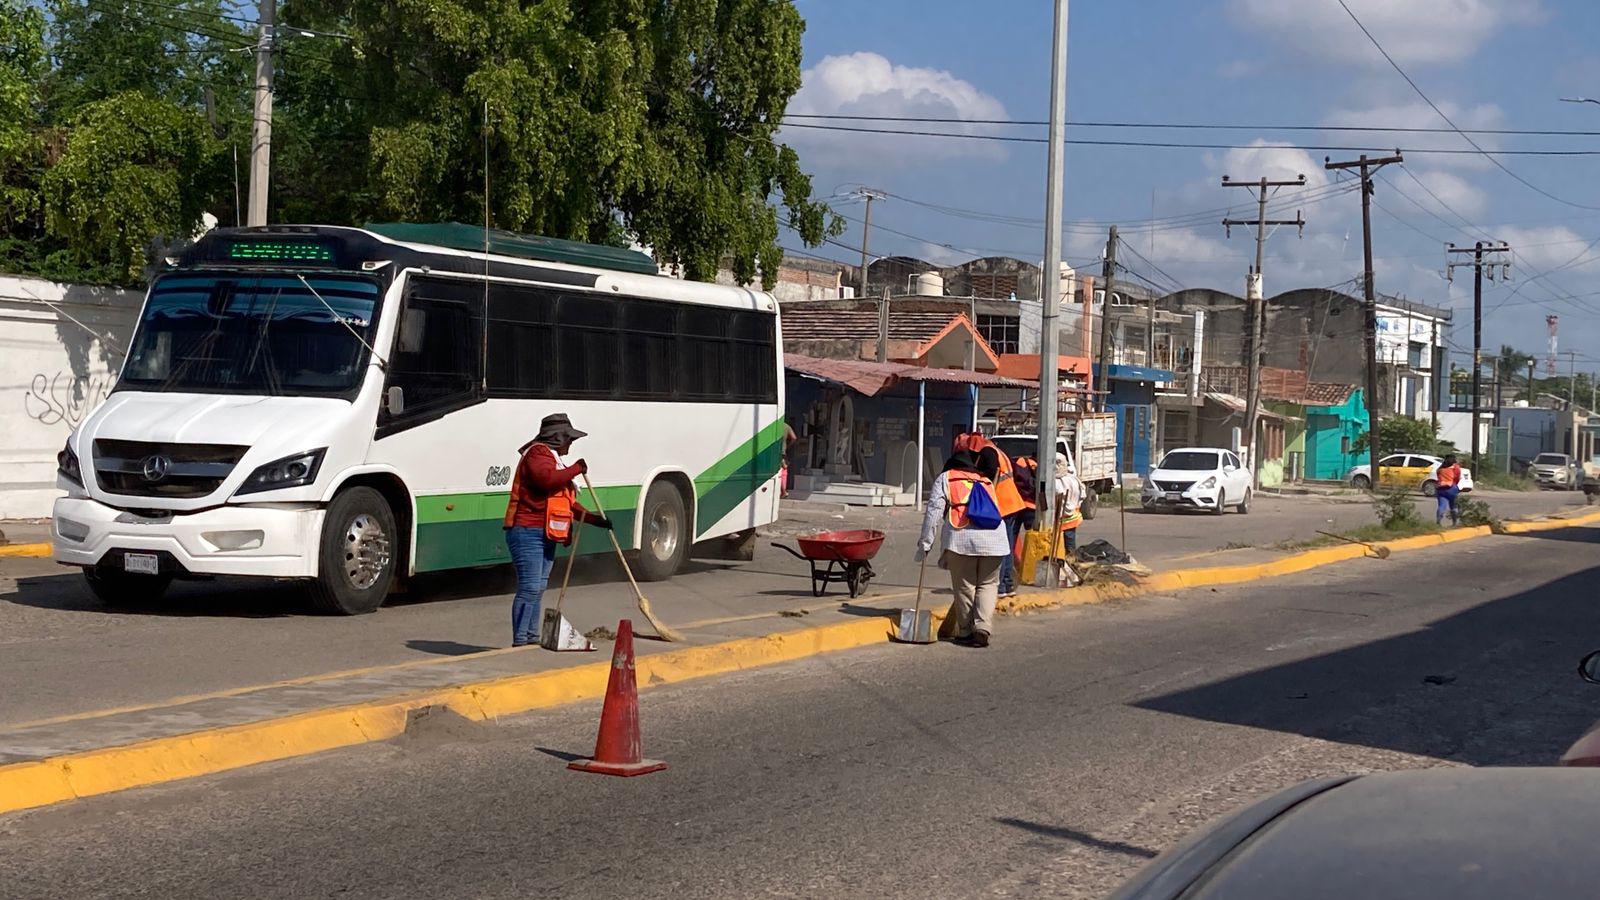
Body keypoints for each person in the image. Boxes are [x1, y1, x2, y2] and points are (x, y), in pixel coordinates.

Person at [503, 413, 612, 648]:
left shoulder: (554, 460)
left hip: (546, 532)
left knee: (539, 586)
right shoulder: (537, 454)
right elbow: (546, 480)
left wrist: (594, 520)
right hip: (527, 530)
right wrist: (576, 469)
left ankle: (531, 636)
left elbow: (566, 503)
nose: (571, 444)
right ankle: (521, 638)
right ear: (558, 437)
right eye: (569, 439)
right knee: (530, 586)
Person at [917, 449, 1011, 648]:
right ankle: (983, 628)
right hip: (995, 540)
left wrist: (926, 543)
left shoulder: (946, 479)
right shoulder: (984, 481)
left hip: (962, 540)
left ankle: (966, 631)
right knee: (988, 584)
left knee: (965, 586)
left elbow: (933, 513)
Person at [1435, 453, 1462, 526]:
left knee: (1441, 506)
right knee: (1453, 506)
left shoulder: (1441, 467)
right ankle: (1454, 523)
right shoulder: (1455, 467)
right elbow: (1457, 478)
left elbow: (1438, 475)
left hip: (1441, 488)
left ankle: (1438, 522)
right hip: (1452, 488)